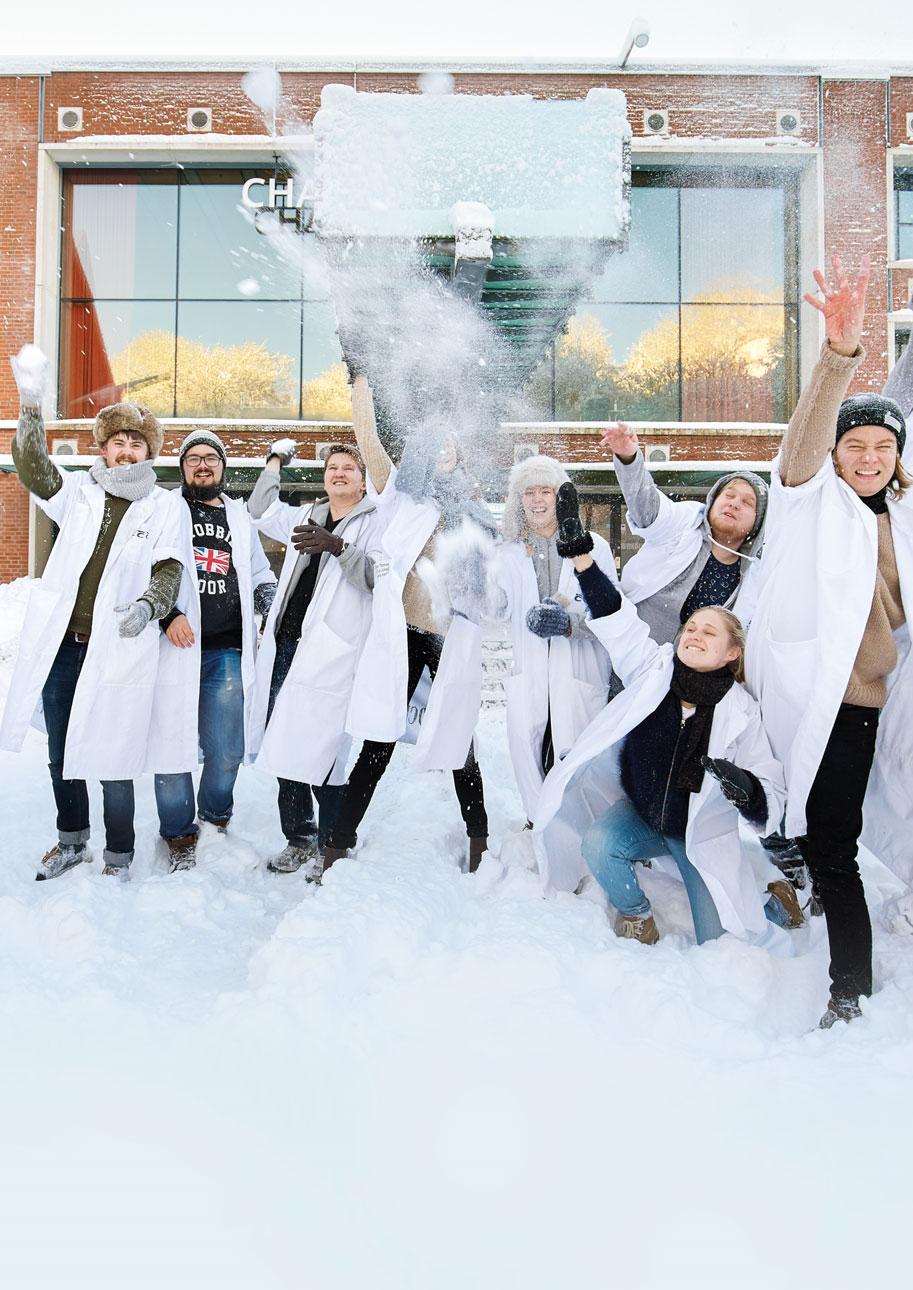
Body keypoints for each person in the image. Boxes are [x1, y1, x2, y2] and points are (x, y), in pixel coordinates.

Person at [746, 253, 913, 1028]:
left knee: (835, 833)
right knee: (830, 844)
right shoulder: (811, 499)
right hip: (831, 698)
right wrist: (839, 356)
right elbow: (804, 440)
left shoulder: (904, 517)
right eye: (858, 446)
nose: (869, 458)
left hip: (888, 698)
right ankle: (849, 988)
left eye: (883, 448)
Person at [531, 492, 796, 943]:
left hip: (697, 835)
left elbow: (772, 792)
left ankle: (775, 903)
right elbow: (615, 617)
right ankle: (636, 911)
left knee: (722, 936)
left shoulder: (742, 712)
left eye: (708, 631)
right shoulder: (654, 670)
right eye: (690, 628)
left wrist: (748, 790)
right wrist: (581, 557)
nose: (694, 634)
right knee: (598, 844)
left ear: (732, 652)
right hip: (642, 815)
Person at [0, 346, 183, 880]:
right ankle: (71, 839)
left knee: (114, 751)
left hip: (119, 645)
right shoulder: (78, 490)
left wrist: (150, 606)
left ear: (147, 452)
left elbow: (169, 568)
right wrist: (31, 402)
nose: (126, 450)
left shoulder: (163, 504)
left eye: (136, 442)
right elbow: (32, 468)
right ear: (102, 447)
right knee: (62, 749)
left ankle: (119, 854)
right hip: (65, 646)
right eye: (118, 441)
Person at [320, 376, 492, 873]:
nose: (444, 451)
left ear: (460, 457)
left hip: (450, 635)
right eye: (435, 443)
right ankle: (338, 841)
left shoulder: (473, 511)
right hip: (401, 633)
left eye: (452, 445)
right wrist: (362, 387)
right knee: (379, 738)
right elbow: (369, 441)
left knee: (461, 735)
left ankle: (477, 835)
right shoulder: (400, 495)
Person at [247, 438, 383, 876]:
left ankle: (332, 844)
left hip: (334, 652)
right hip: (288, 643)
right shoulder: (308, 514)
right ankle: (299, 837)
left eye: (348, 468)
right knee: (283, 738)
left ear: (363, 482)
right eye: (332, 468)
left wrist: (337, 546)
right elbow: (259, 509)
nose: (338, 473)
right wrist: (274, 463)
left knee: (327, 749)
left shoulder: (377, 522)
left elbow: (378, 579)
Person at [151, 430, 277, 871]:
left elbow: (260, 574)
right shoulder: (165, 507)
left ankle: (214, 817)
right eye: (193, 459)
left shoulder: (240, 518)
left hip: (226, 647)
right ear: (182, 468)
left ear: (222, 467)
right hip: (175, 646)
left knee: (226, 749)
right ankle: (178, 832)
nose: (202, 465)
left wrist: (271, 611)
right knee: (172, 744)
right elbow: (146, 567)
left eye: (211, 458)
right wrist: (167, 615)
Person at [492, 456, 621, 830]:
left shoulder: (590, 545)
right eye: (527, 492)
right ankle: (540, 822)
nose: (536, 500)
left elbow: (610, 612)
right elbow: (499, 609)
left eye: (544, 490)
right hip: (530, 671)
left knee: (577, 751)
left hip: (577, 669)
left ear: (559, 496)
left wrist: (569, 624)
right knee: (532, 748)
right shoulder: (510, 551)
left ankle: (584, 828)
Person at [599, 422, 768, 644]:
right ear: (713, 501)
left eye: (747, 502)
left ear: (758, 522)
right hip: (633, 660)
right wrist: (629, 460)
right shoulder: (683, 522)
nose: (734, 504)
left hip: (694, 674)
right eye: (729, 495)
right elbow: (647, 507)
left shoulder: (754, 575)